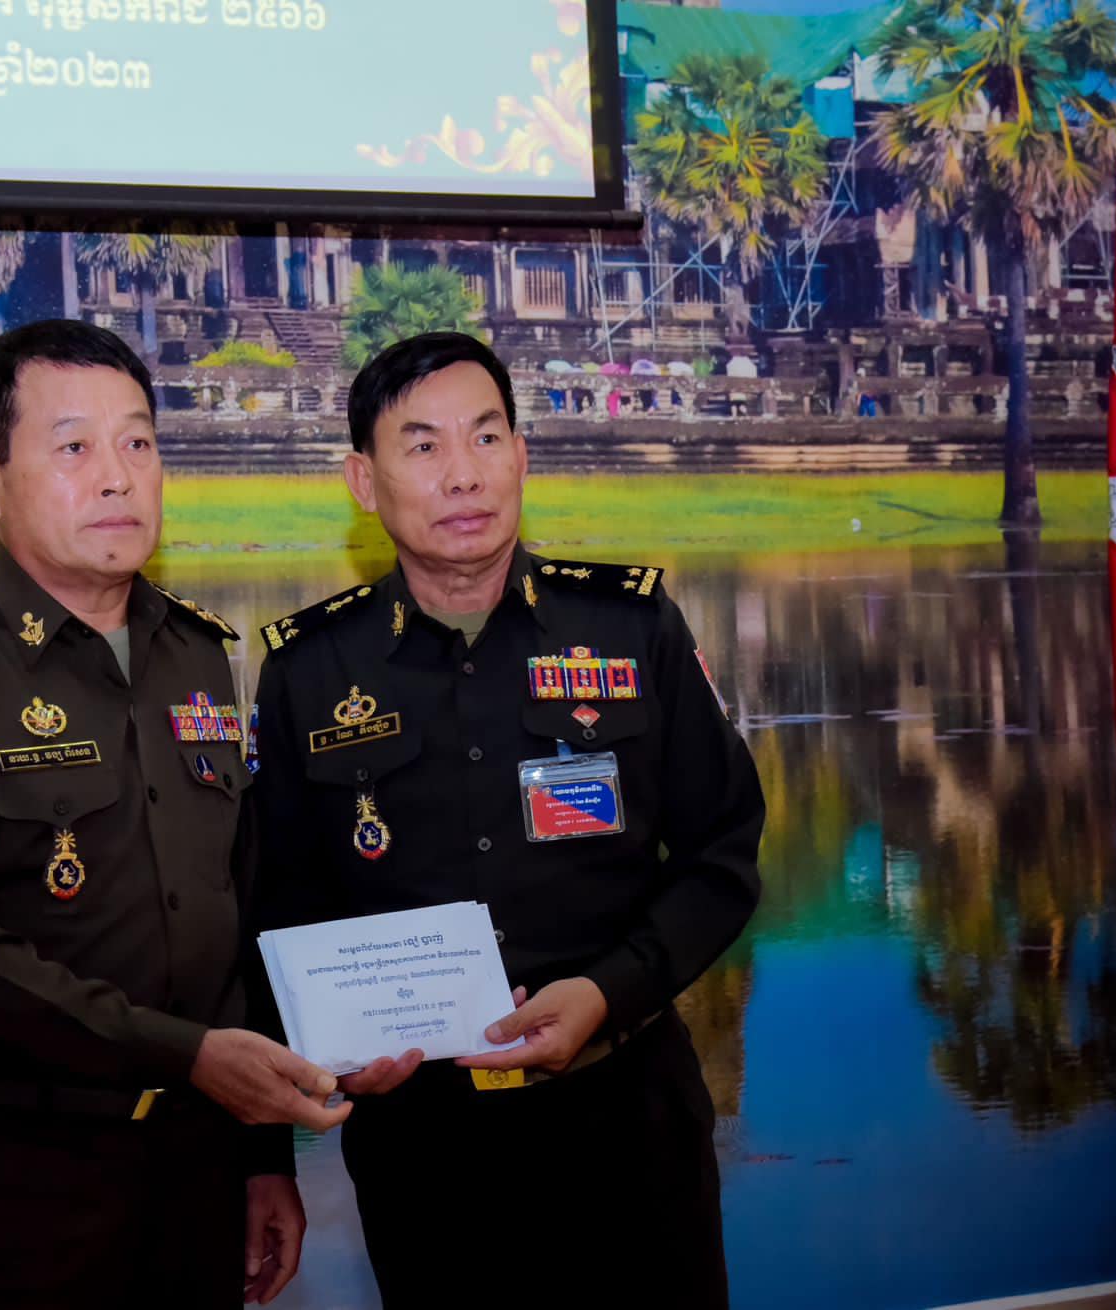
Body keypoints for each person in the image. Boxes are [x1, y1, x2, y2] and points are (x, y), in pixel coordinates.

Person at [0, 319, 348, 1310]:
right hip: (20, 1185)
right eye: (73, 447)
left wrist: (261, 1153)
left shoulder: (197, 653)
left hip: (198, 1168)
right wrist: (189, 1056)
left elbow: (235, 911)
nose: (118, 477)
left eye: (138, 442)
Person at [251, 332, 764, 1307]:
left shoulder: (630, 626)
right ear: (363, 482)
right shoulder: (310, 669)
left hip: (629, 1122)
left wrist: (608, 991)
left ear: (522, 454)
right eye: (423, 445)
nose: (464, 473)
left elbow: (722, 856)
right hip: (425, 1148)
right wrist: (324, 1071)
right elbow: (279, 906)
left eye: (486, 437)